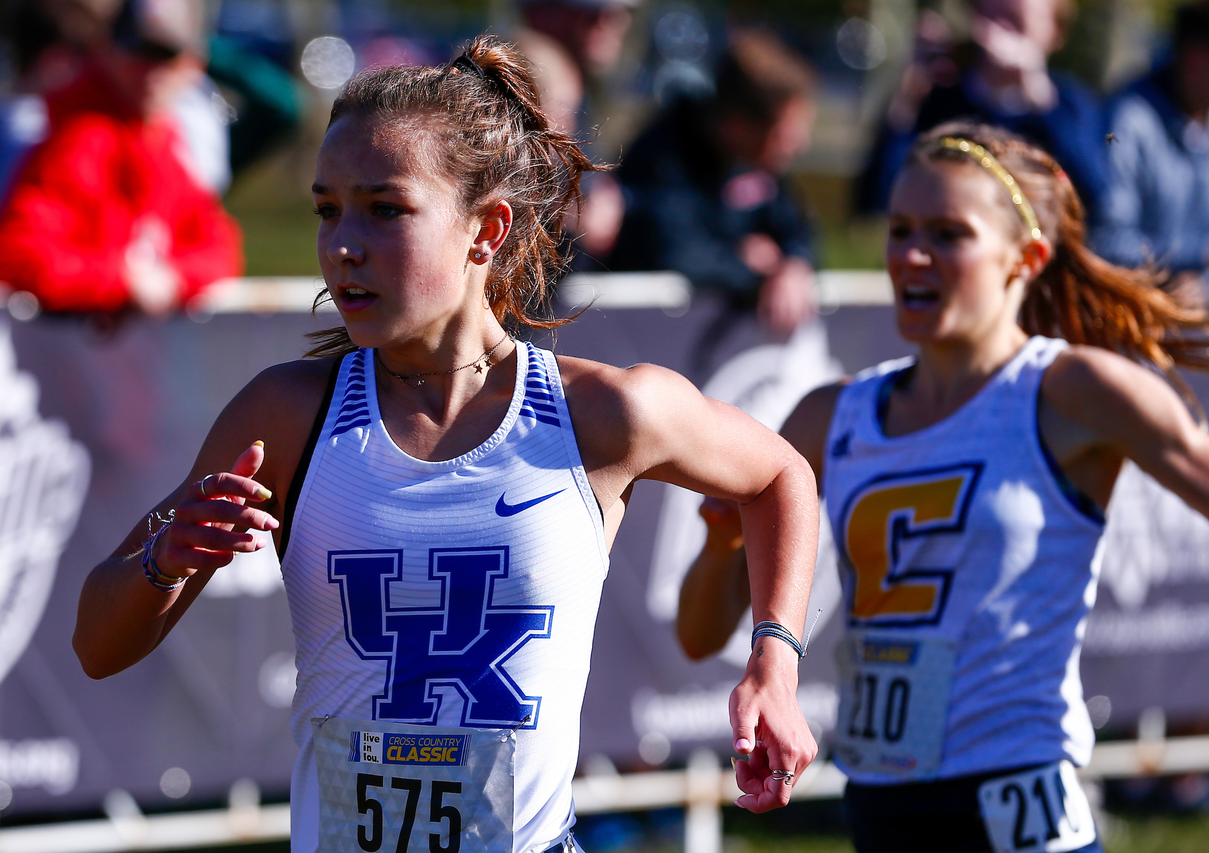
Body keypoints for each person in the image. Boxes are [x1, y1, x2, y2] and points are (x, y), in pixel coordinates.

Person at [71, 36, 820, 852]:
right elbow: (96, 645)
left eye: (384, 209)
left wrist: (775, 662)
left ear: (486, 229)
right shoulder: (287, 414)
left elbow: (779, 473)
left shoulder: (602, 411)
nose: (342, 245)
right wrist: (164, 560)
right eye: (327, 209)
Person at [677, 121, 1209, 852]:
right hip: (882, 808)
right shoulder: (831, 415)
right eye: (899, 229)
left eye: (948, 233)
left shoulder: (1070, 389)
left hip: (1022, 807)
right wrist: (721, 536)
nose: (911, 255)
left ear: (1026, 257)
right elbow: (700, 633)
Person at [0, 0, 242, 314]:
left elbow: (219, 247)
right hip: (60, 356)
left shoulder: (163, 140)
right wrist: (121, 281)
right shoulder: (79, 136)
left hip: (118, 356)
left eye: (165, 55)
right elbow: (12, 253)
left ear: (193, 65)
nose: (149, 70)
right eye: (137, 51)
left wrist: (174, 279)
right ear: (107, 53)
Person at [608, 29, 820, 337]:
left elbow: (797, 229)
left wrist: (794, 265)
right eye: (785, 133)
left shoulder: (757, 163)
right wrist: (747, 266)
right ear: (736, 125)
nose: (800, 144)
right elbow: (671, 249)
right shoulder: (664, 155)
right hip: (642, 339)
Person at [856, 0, 1109, 224]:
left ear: (1055, 32)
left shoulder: (1070, 105)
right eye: (996, 17)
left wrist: (1040, 100)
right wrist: (910, 94)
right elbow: (877, 198)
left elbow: (1098, 203)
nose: (1004, 35)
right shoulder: (940, 97)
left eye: (1018, 22)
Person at [1093, 0, 1209, 304]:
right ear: (1194, 56)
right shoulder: (1126, 121)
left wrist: (1203, 285)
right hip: (1129, 317)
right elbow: (1105, 241)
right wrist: (1190, 258)